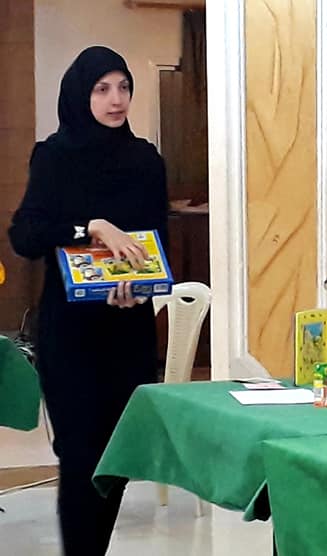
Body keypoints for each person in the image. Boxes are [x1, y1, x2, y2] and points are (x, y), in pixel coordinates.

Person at [8, 46, 168, 554]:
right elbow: (25, 235)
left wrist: (139, 285)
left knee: (113, 460)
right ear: (81, 94)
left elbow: (155, 241)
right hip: (71, 335)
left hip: (128, 332)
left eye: (123, 87)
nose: (116, 99)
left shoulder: (146, 161)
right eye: (102, 89)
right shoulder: (54, 157)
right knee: (79, 458)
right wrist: (89, 227)